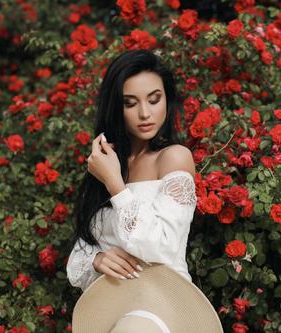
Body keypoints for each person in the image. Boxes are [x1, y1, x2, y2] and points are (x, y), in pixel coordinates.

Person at [66, 49, 197, 292]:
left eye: (154, 99)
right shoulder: (111, 164)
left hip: (164, 304)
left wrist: (116, 185)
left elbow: (163, 248)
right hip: (113, 308)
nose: (145, 113)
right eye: (130, 103)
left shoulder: (173, 157)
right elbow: (79, 255)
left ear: (167, 100)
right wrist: (97, 260)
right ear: (116, 108)